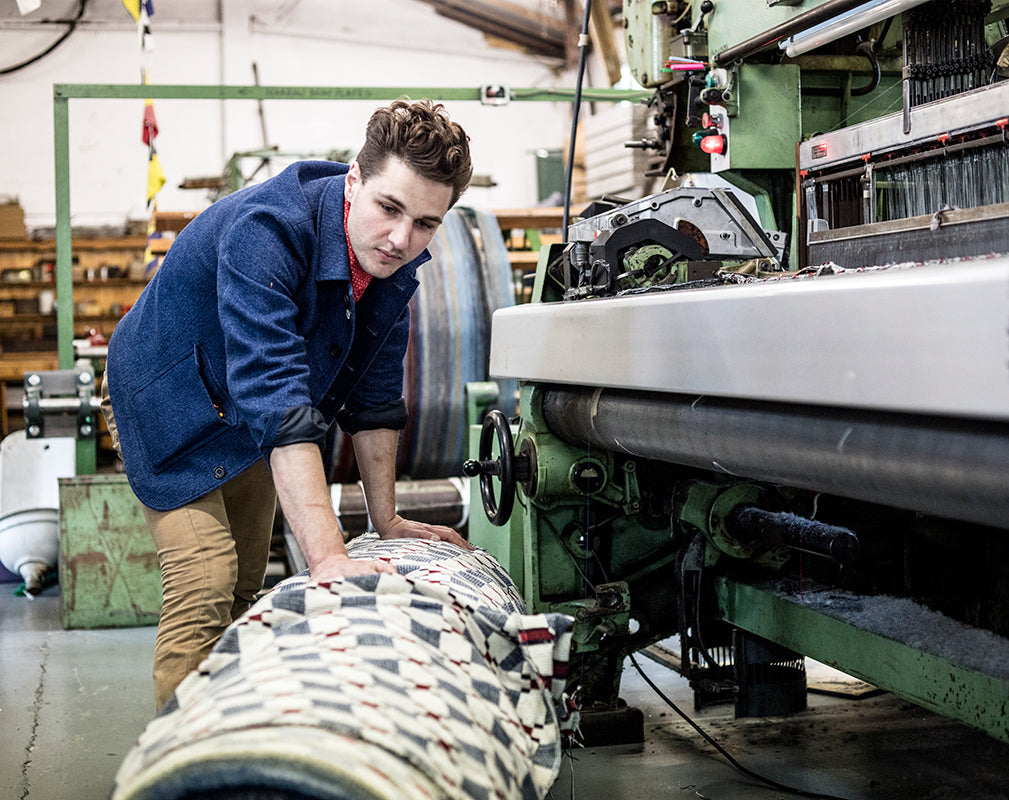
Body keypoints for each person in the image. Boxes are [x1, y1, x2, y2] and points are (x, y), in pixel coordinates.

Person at [100, 99, 475, 711]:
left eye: (427, 223)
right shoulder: (266, 231)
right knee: (207, 583)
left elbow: (377, 398)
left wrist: (387, 522)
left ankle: (244, 729)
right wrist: (329, 558)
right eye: (389, 208)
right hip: (164, 396)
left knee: (250, 584)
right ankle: (183, 760)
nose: (402, 238)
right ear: (354, 179)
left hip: (242, 406)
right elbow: (278, 397)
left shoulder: (389, 263)